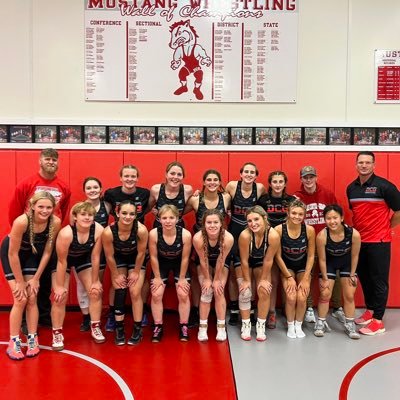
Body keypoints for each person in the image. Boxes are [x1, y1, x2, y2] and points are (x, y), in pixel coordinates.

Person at [8, 148, 71, 328]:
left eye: (54, 160)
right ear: (40, 161)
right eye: (47, 159)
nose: (51, 162)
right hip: (27, 240)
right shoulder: (26, 183)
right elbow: (15, 212)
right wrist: (21, 236)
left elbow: (62, 212)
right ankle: (22, 319)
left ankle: (43, 314)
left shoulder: (64, 186)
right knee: (27, 280)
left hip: (49, 238)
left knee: (43, 278)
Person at [1, 192, 61, 360]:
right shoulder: (22, 221)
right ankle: (14, 341)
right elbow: (12, 254)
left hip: (32, 255)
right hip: (12, 255)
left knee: (32, 296)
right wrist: (20, 282)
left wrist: (36, 279)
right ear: (32, 206)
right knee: (20, 298)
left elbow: (48, 252)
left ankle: (32, 338)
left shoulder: (55, 222)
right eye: (41, 206)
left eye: (49, 207)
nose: (45, 210)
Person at [347, 151, 400, 335]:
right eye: (360, 162)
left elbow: (399, 211)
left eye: (367, 162)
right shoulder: (351, 188)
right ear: (356, 165)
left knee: (379, 281)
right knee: (365, 278)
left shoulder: (385, 186)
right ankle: (370, 310)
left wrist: (386, 226)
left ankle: (378, 320)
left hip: (379, 241)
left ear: (374, 165)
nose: (364, 165)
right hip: (360, 242)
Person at [51, 202, 105, 350]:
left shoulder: (99, 230)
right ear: (75, 217)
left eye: (90, 215)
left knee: (95, 292)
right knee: (59, 297)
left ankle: (95, 326)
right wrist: (60, 287)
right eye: (83, 214)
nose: (87, 218)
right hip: (62, 262)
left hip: (83, 258)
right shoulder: (66, 233)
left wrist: (95, 281)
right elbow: (62, 261)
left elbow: (95, 257)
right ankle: (57, 332)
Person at [293, 166, 343, 324]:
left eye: (311, 177)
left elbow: (337, 216)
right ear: (301, 179)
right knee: (306, 275)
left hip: (327, 242)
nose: (308, 180)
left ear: (316, 177)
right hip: (306, 243)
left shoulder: (327, 193)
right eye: (305, 177)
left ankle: (337, 308)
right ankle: (308, 308)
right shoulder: (296, 197)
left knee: (334, 274)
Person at [104, 165, 150, 331]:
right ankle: (112, 314)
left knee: (136, 286)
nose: (130, 179)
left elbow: (141, 253)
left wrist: (136, 271)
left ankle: (141, 313)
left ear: (137, 178)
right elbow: (103, 208)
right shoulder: (111, 194)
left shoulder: (144, 194)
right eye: (126, 176)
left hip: (135, 244)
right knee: (118, 285)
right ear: (121, 177)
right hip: (119, 247)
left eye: (133, 176)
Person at [184, 169, 231, 327]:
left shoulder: (226, 198)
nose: (212, 182)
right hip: (200, 245)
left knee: (220, 279)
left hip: (219, 244)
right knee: (200, 279)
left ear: (220, 182)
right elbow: (176, 213)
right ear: (203, 182)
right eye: (208, 179)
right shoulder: (195, 199)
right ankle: (197, 311)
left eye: (215, 179)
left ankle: (221, 315)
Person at [102, 200, 148, 345]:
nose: (128, 217)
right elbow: (109, 256)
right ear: (117, 213)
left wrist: (135, 272)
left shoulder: (141, 230)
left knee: (135, 291)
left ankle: (137, 328)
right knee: (120, 289)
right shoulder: (108, 232)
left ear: (136, 215)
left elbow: (141, 253)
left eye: (132, 214)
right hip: (119, 258)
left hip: (136, 259)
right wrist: (115, 275)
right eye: (124, 213)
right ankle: (119, 329)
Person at [225, 162, 265, 326]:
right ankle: (234, 309)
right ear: (240, 174)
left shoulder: (260, 188)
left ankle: (252, 307)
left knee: (253, 271)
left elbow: (266, 204)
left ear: (256, 175)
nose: (249, 174)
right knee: (236, 272)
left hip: (252, 233)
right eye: (246, 172)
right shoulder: (232, 186)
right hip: (234, 231)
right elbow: (220, 198)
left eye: (252, 172)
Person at [314, 205, 361, 339]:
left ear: (342, 218)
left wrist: (352, 274)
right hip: (329, 263)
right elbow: (322, 259)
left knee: (349, 295)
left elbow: (355, 256)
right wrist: (324, 278)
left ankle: (350, 324)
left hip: (347, 264)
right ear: (324, 220)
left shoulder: (354, 234)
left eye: (335, 218)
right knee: (325, 293)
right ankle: (321, 322)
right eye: (328, 218)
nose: (332, 221)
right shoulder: (322, 236)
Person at [257, 170, 295, 329]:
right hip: (269, 243)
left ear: (285, 184)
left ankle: (289, 312)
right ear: (270, 183)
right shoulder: (263, 200)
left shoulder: (291, 200)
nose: (278, 184)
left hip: (288, 243)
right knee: (272, 280)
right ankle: (271, 312)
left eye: (281, 182)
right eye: (275, 182)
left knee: (288, 279)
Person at [148, 205, 192, 342]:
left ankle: (184, 325)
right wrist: (156, 277)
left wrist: (183, 278)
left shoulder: (185, 234)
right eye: (164, 218)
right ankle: (158, 326)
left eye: (171, 218)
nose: (168, 221)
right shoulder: (154, 234)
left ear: (177, 219)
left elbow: (185, 258)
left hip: (179, 263)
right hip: (161, 263)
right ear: (159, 219)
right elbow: (153, 257)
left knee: (183, 293)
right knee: (156, 293)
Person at [274, 199, 316, 339]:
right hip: (287, 267)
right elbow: (278, 257)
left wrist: (305, 278)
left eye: (300, 214)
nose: (297, 217)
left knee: (302, 296)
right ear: (288, 212)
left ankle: (299, 325)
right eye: (294, 213)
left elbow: (311, 256)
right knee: (291, 297)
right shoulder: (279, 230)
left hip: (303, 266)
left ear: (304, 215)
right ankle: (291, 325)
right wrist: (289, 277)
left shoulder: (309, 230)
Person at [74, 177, 111, 332]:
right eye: (89, 188)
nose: (92, 190)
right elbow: (72, 229)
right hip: (81, 252)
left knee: (96, 285)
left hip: (99, 251)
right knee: (82, 286)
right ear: (84, 191)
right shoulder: (78, 208)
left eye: (95, 187)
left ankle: (95, 318)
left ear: (101, 189)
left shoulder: (107, 206)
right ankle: (86, 317)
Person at [238, 206, 280, 341]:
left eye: (256, 219)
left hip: (261, 262)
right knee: (245, 291)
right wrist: (246, 280)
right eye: (249, 221)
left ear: (265, 218)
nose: (253, 224)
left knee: (263, 290)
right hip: (246, 262)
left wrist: (263, 280)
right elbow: (244, 261)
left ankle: (261, 325)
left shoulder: (273, 235)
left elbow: (268, 260)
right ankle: (246, 324)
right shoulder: (245, 235)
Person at [193, 209, 234, 342]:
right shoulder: (198, 238)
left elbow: (221, 260)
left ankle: (221, 327)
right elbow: (203, 260)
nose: (212, 225)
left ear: (221, 223)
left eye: (216, 222)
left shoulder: (227, 238)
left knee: (218, 290)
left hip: (220, 263)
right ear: (203, 224)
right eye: (209, 222)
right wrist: (207, 278)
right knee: (206, 291)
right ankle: (203, 327)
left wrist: (216, 279)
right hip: (204, 262)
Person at [148, 161, 193, 228]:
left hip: (178, 227)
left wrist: (198, 194)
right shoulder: (156, 189)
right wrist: (158, 213)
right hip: (159, 226)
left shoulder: (187, 190)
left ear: (183, 176)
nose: (175, 177)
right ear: (166, 174)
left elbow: (191, 206)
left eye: (179, 174)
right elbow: (149, 207)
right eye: (172, 173)